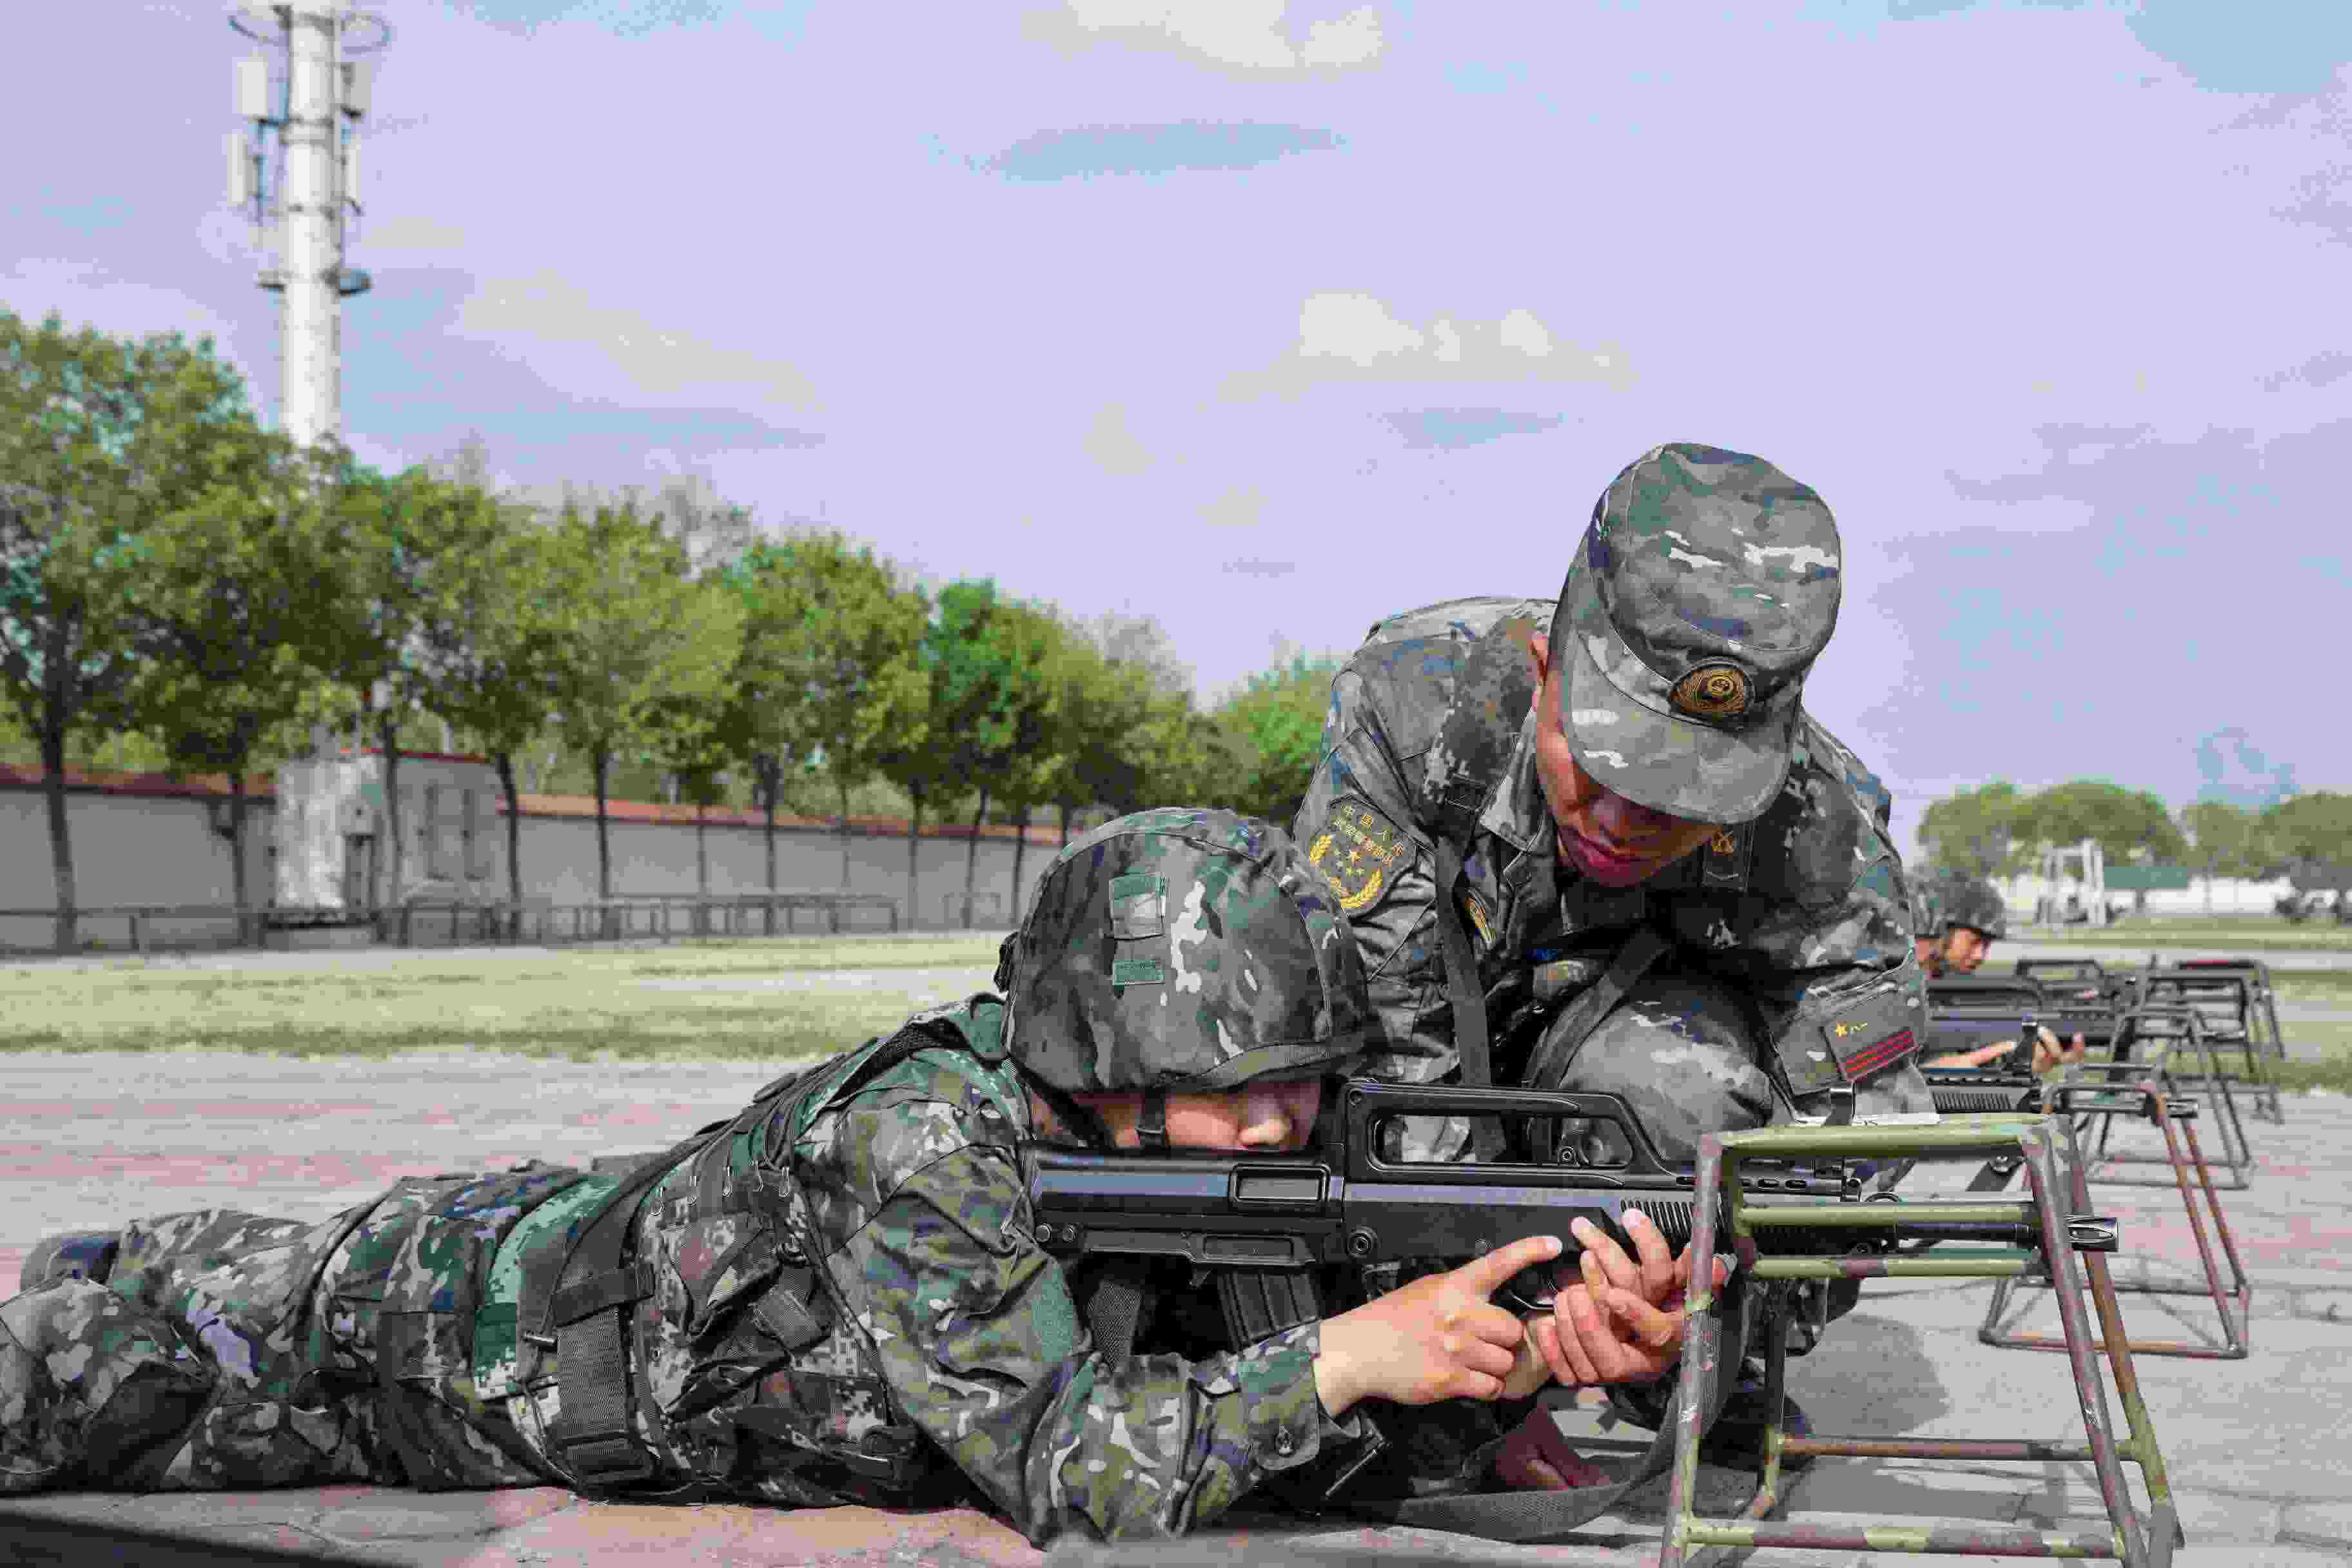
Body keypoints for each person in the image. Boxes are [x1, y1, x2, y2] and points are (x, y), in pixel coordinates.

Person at [1, 809, 1709, 1543]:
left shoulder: (1181, 1171)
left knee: (139, 1294)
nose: (1280, 1126)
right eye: (1231, 1090)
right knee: (89, 1364)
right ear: (1099, 1065)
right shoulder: (924, 1142)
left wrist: (1503, 1367)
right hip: (433, 1345)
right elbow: (1073, 1467)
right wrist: (1348, 1351)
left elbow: (1250, 1434)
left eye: (1299, 1080)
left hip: (572, 1273)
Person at [1917, 874, 2086, 1077]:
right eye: (1974, 941)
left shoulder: (1950, 993)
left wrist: (2014, 1065)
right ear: (1942, 931)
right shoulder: (1904, 990)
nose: (1980, 955)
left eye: (1987, 944)